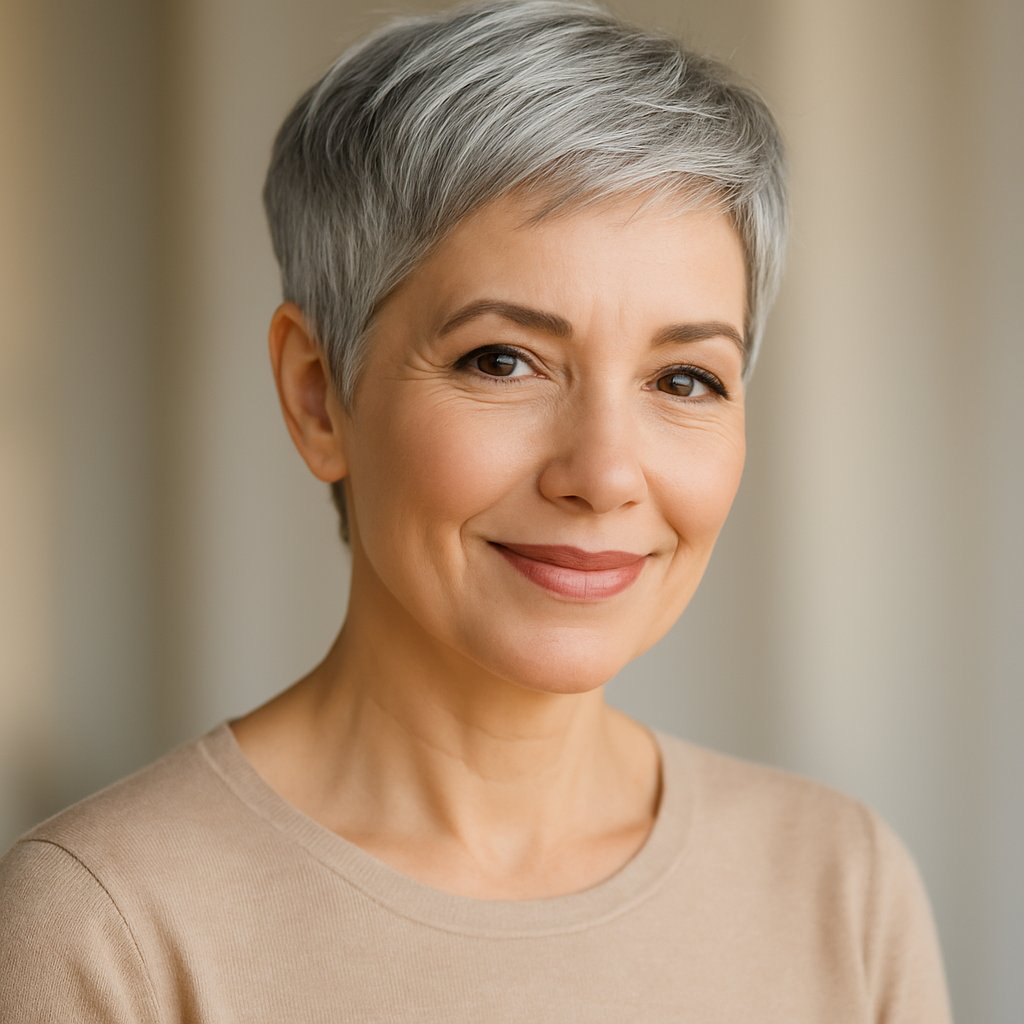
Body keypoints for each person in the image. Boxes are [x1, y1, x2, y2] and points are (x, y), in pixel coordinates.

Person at [0, 1, 952, 1019]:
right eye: (502, 360)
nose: (603, 473)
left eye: (683, 379)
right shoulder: (107, 927)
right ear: (318, 396)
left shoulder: (839, 885)